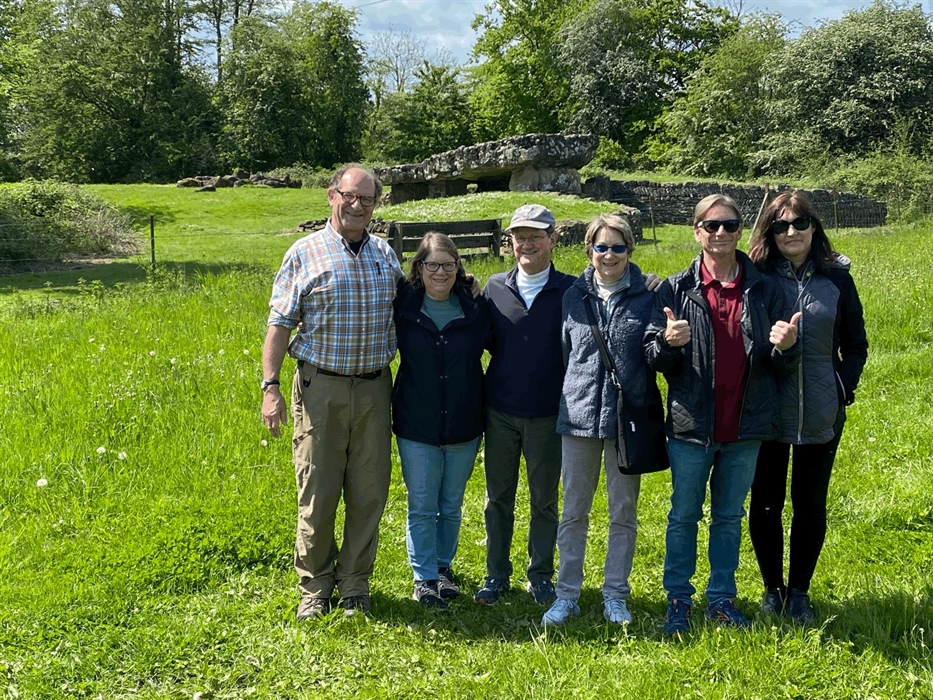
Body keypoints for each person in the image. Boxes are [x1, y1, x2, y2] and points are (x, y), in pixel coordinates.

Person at [644, 193, 802, 635]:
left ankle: (721, 599)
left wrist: (787, 347)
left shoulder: (764, 288)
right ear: (696, 231)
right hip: (691, 425)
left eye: (729, 225)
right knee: (683, 516)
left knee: (728, 517)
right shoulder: (675, 288)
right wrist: (666, 345)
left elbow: (780, 360)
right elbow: (654, 359)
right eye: (710, 225)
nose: (720, 233)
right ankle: (678, 598)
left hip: (745, 426)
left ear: (739, 231)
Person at [261, 164, 403, 620]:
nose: (357, 205)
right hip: (320, 387)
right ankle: (316, 587)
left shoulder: (386, 254)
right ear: (332, 196)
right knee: (318, 491)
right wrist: (271, 387)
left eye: (367, 198)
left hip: (376, 389)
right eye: (350, 196)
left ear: (376, 204)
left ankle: (355, 584)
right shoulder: (304, 252)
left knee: (369, 491)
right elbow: (279, 323)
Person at [746, 191, 868, 624]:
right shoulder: (756, 278)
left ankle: (799, 592)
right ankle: (771, 589)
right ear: (771, 233)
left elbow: (856, 345)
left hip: (820, 406)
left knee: (810, 504)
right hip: (769, 406)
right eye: (781, 226)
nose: (791, 232)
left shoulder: (837, 281)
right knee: (764, 503)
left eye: (799, 224)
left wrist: (841, 387)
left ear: (814, 228)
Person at [541, 214, 663, 627]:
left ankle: (615, 595)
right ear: (588, 250)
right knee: (573, 510)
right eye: (601, 247)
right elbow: (567, 353)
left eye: (617, 247)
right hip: (577, 417)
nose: (608, 255)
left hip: (625, 420)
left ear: (630, 250)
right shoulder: (573, 296)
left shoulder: (648, 295)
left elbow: (654, 353)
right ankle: (567, 594)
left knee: (622, 510)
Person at [475, 204, 575, 606]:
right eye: (520, 237)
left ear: (553, 238)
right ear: (510, 242)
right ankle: (496, 574)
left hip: (548, 413)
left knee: (544, 500)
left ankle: (541, 575)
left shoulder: (571, 289)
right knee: (497, 498)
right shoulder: (495, 286)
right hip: (500, 410)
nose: (527, 244)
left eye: (536, 236)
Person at [392, 233, 490, 610]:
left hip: (465, 421)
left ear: (457, 267)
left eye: (448, 265)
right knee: (421, 503)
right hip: (417, 421)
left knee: (450, 503)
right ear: (419, 267)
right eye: (432, 264)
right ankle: (424, 577)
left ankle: (443, 568)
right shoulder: (402, 306)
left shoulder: (475, 308)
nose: (441, 272)